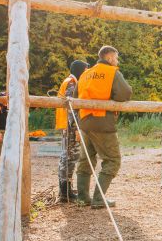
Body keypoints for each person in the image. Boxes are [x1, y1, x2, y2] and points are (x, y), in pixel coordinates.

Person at [74, 45, 132, 208]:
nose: (117, 60)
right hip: (102, 122)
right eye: (116, 57)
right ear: (109, 57)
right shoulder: (112, 72)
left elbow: (75, 97)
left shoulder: (85, 74)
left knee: (86, 159)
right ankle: (99, 199)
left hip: (85, 122)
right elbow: (125, 94)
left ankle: (82, 198)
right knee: (113, 160)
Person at [55, 60, 89, 202]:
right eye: (86, 70)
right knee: (69, 157)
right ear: (80, 71)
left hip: (68, 125)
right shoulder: (71, 83)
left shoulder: (70, 81)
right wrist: (77, 128)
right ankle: (65, 192)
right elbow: (71, 108)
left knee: (68, 156)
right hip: (71, 126)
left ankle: (66, 188)